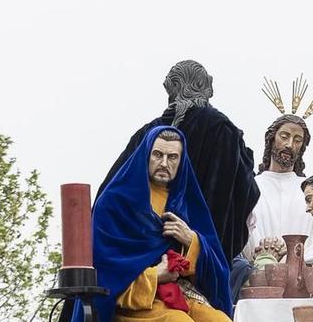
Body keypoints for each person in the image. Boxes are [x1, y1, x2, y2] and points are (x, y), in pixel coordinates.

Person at [66, 128, 255, 322]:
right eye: (157, 155)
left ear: (181, 162)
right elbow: (107, 274)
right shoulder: (115, 203)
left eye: (172, 157)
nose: (164, 163)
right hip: (132, 308)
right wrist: (155, 275)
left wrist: (191, 242)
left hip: (179, 296)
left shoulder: (186, 202)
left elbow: (216, 262)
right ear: (144, 156)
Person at [95, 61, 259, 279]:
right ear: (206, 86)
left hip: (142, 256)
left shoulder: (148, 133)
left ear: (172, 87)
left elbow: (112, 190)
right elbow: (242, 192)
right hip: (190, 260)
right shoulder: (222, 128)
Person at [247, 99, 313, 267]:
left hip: (304, 278)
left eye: (297, 140)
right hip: (256, 275)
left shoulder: (311, 191)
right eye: (284, 136)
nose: (290, 144)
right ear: (271, 139)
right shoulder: (251, 187)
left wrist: (295, 257)